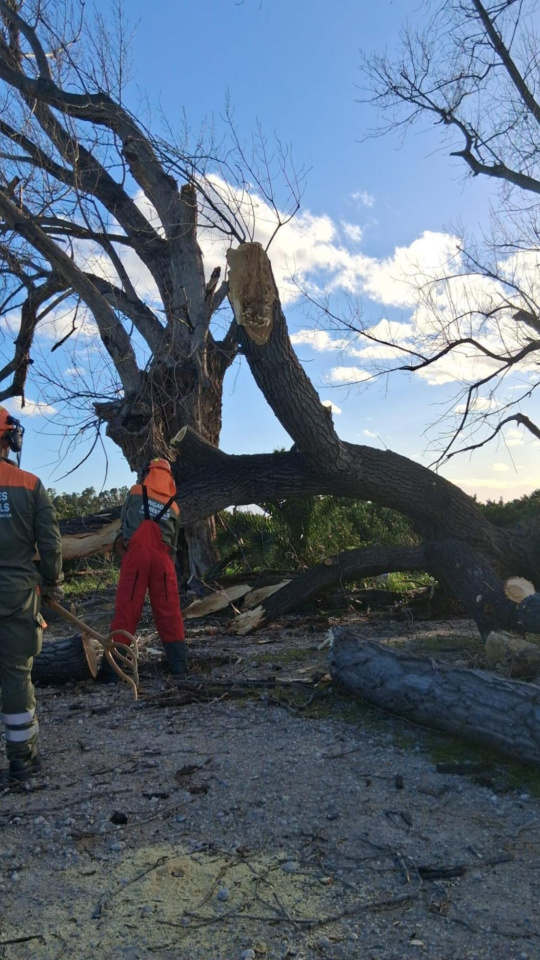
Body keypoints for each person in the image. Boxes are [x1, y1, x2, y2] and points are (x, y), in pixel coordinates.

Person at [0, 406, 64, 781]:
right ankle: (22, 760)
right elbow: (51, 544)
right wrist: (52, 582)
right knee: (15, 677)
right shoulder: (30, 485)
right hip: (17, 596)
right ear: (10, 438)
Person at [99, 458, 187, 680]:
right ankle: (179, 666)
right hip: (163, 559)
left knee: (127, 608)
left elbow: (124, 521)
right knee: (169, 611)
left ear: (147, 472)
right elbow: (174, 542)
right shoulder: (174, 506)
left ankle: (111, 670)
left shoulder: (136, 491)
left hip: (136, 556)